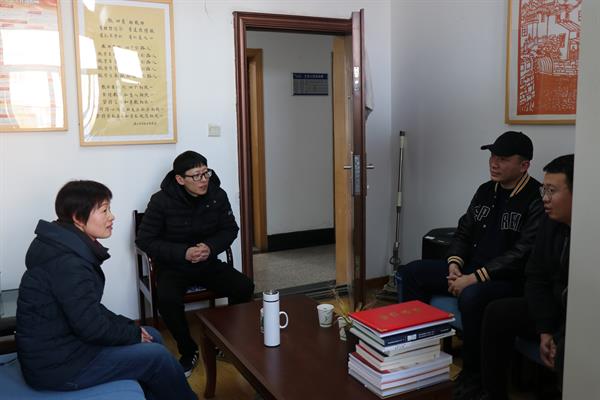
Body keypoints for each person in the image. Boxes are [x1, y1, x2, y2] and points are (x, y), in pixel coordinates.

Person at [16, 180, 197, 400]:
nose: (112, 216)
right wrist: (131, 333)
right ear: (77, 217)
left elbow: (89, 309)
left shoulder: (61, 246)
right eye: (104, 210)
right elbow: (90, 327)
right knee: (157, 357)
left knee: (152, 335)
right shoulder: (68, 263)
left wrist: (129, 327)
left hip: (65, 350)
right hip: (59, 367)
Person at [398, 131, 544, 399]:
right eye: (492, 157)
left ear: (524, 165)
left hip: (507, 280)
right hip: (471, 269)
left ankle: (473, 374)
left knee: (472, 296)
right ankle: (415, 354)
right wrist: (454, 264)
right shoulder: (486, 190)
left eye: (503, 159)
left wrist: (475, 277)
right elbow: (464, 231)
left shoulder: (536, 198)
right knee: (412, 272)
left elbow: (523, 253)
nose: (494, 164)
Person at [136, 150, 254, 377]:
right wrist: (183, 253)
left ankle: (223, 341)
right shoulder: (161, 201)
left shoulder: (217, 195)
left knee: (243, 286)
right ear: (180, 179)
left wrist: (210, 247)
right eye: (196, 176)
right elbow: (145, 240)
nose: (203, 180)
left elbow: (230, 229)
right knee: (167, 299)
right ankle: (188, 350)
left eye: (205, 173)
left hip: (207, 262)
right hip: (174, 266)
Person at [473, 154, 575, 400]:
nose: (545, 198)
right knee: (498, 312)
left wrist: (557, 335)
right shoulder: (550, 222)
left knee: (568, 347)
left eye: (552, 191)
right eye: (543, 190)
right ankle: (492, 393)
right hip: (551, 309)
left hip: (577, 318)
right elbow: (535, 276)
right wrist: (545, 329)